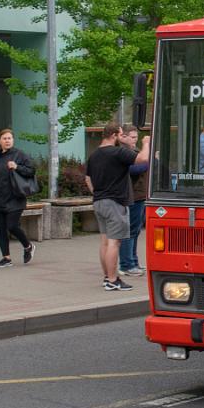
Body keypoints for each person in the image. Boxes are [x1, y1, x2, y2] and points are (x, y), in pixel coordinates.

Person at [85, 122, 139, 291]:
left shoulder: (94, 155)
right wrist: (146, 144)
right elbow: (143, 159)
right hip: (115, 202)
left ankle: (107, 277)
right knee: (114, 243)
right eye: (121, 134)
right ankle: (113, 280)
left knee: (105, 242)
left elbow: (88, 179)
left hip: (99, 201)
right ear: (115, 135)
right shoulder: (118, 152)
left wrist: (98, 193)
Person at [0, 128, 36, 268]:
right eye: (4, 138)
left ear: (13, 140)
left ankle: (28, 246)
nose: (7, 140)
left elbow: (31, 171)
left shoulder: (20, 155)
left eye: (9, 138)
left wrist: (17, 167)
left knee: (11, 226)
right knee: (0, 229)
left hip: (15, 197)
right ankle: (6, 258)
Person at [118, 125, 151, 278]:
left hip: (139, 196)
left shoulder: (135, 152)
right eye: (132, 137)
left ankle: (134, 261)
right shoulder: (123, 153)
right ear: (122, 137)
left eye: (136, 138)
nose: (134, 141)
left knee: (136, 231)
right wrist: (149, 159)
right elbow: (136, 169)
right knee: (129, 231)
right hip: (131, 196)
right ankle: (126, 264)